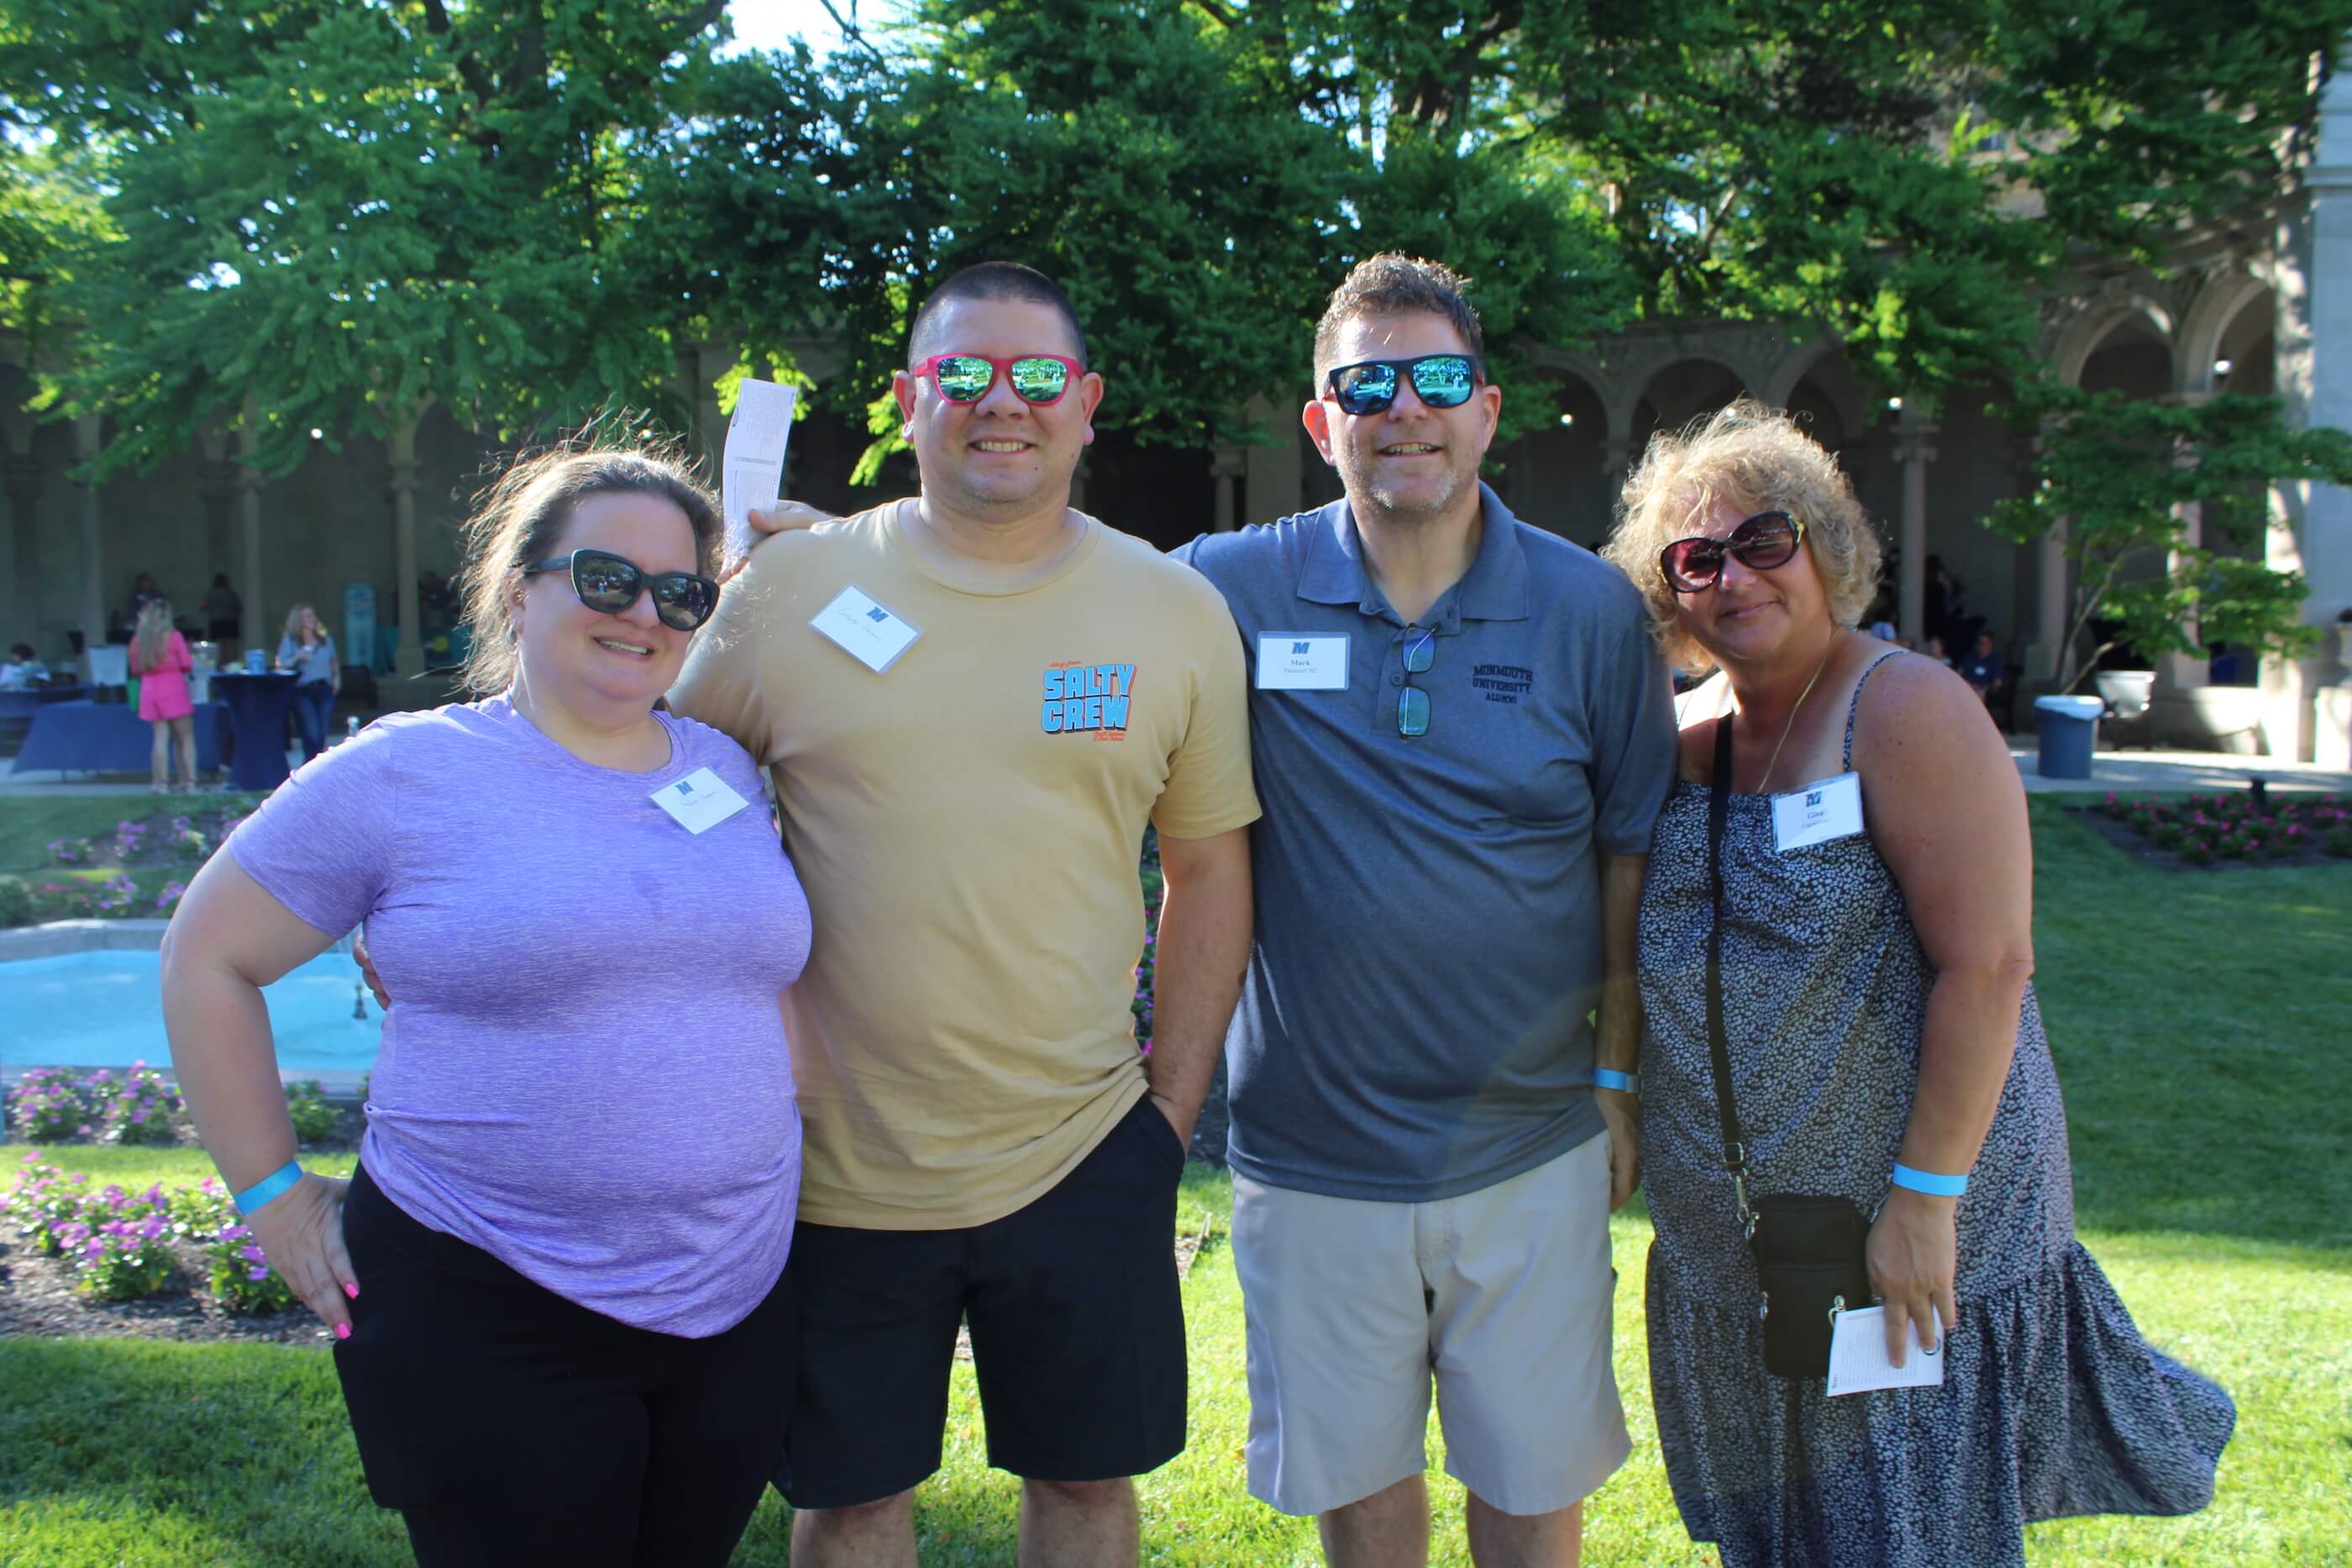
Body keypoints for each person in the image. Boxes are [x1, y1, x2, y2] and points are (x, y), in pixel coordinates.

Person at [672, 261, 1259, 1567]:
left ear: (1088, 403)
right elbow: (655, 799)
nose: (1006, 401)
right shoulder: (792, 588)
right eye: (966, 373)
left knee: (1086, 1489)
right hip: (838, 1164)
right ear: (907, 398)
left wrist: (1166, 1111)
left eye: (1040, 375)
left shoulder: (1173, 611)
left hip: (1083, 1144)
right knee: (852, 1503)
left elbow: (1209, 866)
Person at [1601, 401, 2233, 1568]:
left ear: (1827, 544)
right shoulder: (1694, 742)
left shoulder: (1904, 708)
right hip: (1740, 1253)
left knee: (1907, 1528)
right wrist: (1610, 1079)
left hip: (1894, 1236)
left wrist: (1923, 1197)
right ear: (1668, 591)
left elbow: (1989, 965)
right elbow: (1621, 925)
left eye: (1763, 539)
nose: (1733, 576)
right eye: (1697, 558)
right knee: (1781, 1534)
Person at [163, 444, 812, 1567]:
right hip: (488, 1295)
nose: (644, 613)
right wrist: (272, 1196)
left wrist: (839, 554)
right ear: (520, 586)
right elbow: (205, 958)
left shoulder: (727, 766)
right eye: (607, 577)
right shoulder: (406, 772)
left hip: (732, 1298)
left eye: (682, 590)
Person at [1160, 255, 1675, 1568]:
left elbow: (1629, 860)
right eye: (1367, 383)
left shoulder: (1591, 611)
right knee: (1363, 1498)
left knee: (1530, 1488)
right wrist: (854, 557)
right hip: (1311, 1153)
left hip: (1533, 1148)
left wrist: (1617, 1076)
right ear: (1322, 422)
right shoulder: (1225, 586)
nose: (1407, 407)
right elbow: (1041, 588)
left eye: (1437, 377)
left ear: (1487, 409)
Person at [129, 600, 198, 793]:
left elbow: (134, 668)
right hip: (173, 687)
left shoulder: (138, 640)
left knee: (160, 737)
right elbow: (186, 663)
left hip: (149, 688)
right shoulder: (174, 637)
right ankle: (189, 781)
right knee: (185, 737)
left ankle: (161, 783)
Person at [277, 603, 341, 761]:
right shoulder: (291, 641)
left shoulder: (325, 639)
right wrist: (297, 657)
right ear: (298, 620)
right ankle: (309, 765)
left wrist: (337, 678)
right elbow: (281, 664)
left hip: (325, 688)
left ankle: (315, 767)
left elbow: (333, 661)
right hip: (303, 690)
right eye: (307, 616)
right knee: (311, 732)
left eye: (313, 615)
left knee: (322, 732)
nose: (312, 619)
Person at [1958, 629, 2005, 706]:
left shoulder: (1996, 661)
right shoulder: (1969, 656)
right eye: (1979, 642)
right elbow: (1958, 673)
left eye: (1983, 643)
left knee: (1977, 697)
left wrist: (1980, 687)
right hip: (1964, 688)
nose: (1981, 645)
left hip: (1981, 691)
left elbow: (1997, 684)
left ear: (1990, 644)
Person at [203, 574, 243, 645]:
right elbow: (239, 608)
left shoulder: (211, 594)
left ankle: (221, 656)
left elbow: (203, 607)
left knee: (219, 644)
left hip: (216, 621)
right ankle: (232, 656)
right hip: (231, 621)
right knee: (231, 644)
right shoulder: (231, 593)